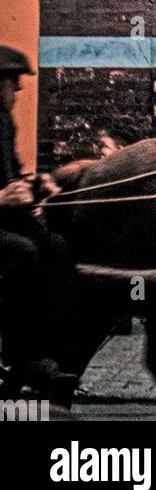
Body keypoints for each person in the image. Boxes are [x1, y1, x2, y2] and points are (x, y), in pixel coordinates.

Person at [0, 46, 81, 400]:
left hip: (6, 218)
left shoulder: (4, 122)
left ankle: (55, 350)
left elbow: (12, 175)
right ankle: (22, 354)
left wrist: (34, 185)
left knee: (58, 246)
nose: (19, 88)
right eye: (12, 80)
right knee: (23, 253)